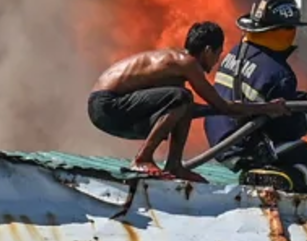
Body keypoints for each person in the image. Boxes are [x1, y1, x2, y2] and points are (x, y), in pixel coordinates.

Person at [88, 22, 285, 179]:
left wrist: (215, 110)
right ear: (208, 50)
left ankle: (174, 165)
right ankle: (142, 158)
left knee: (184, 102)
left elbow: (189, 109)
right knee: (183, 97)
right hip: (107, 105)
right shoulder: (187, 63)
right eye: (218, 54)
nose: (217, 61)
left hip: (109, 108)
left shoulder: (177, 65)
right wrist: (267, 107)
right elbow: (222, 106)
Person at [203, 0, 307, 193]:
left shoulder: (236, 52)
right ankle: (280, 178)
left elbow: (266, 96)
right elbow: (285, 129)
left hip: (219, 139)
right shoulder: (280, 73)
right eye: (292, 28)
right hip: (247, 145)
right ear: (284, 32)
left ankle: (261, 172)